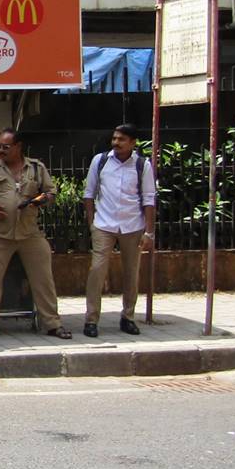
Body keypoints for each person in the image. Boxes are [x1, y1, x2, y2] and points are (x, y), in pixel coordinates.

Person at [0, 128, 71, 340]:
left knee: (43, 280)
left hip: (29, 233)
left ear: (18, 146)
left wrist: (41, 200)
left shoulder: (36, 168)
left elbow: (51, 192)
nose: (1, 150)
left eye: (6, 147)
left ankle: (52, 323)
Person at [82, 122, 157, 337]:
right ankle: (91, 319)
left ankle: (128, 317)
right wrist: (92, 223)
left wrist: (149, 232)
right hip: (103, 224)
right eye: (114, 138)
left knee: (131, 273)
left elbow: (149, 198)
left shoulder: (142, 165)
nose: (116, 143)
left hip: (133, 225)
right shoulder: (101, 161)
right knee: (97, 270)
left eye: (121, 139)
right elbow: (89, 193)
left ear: (133, 143)